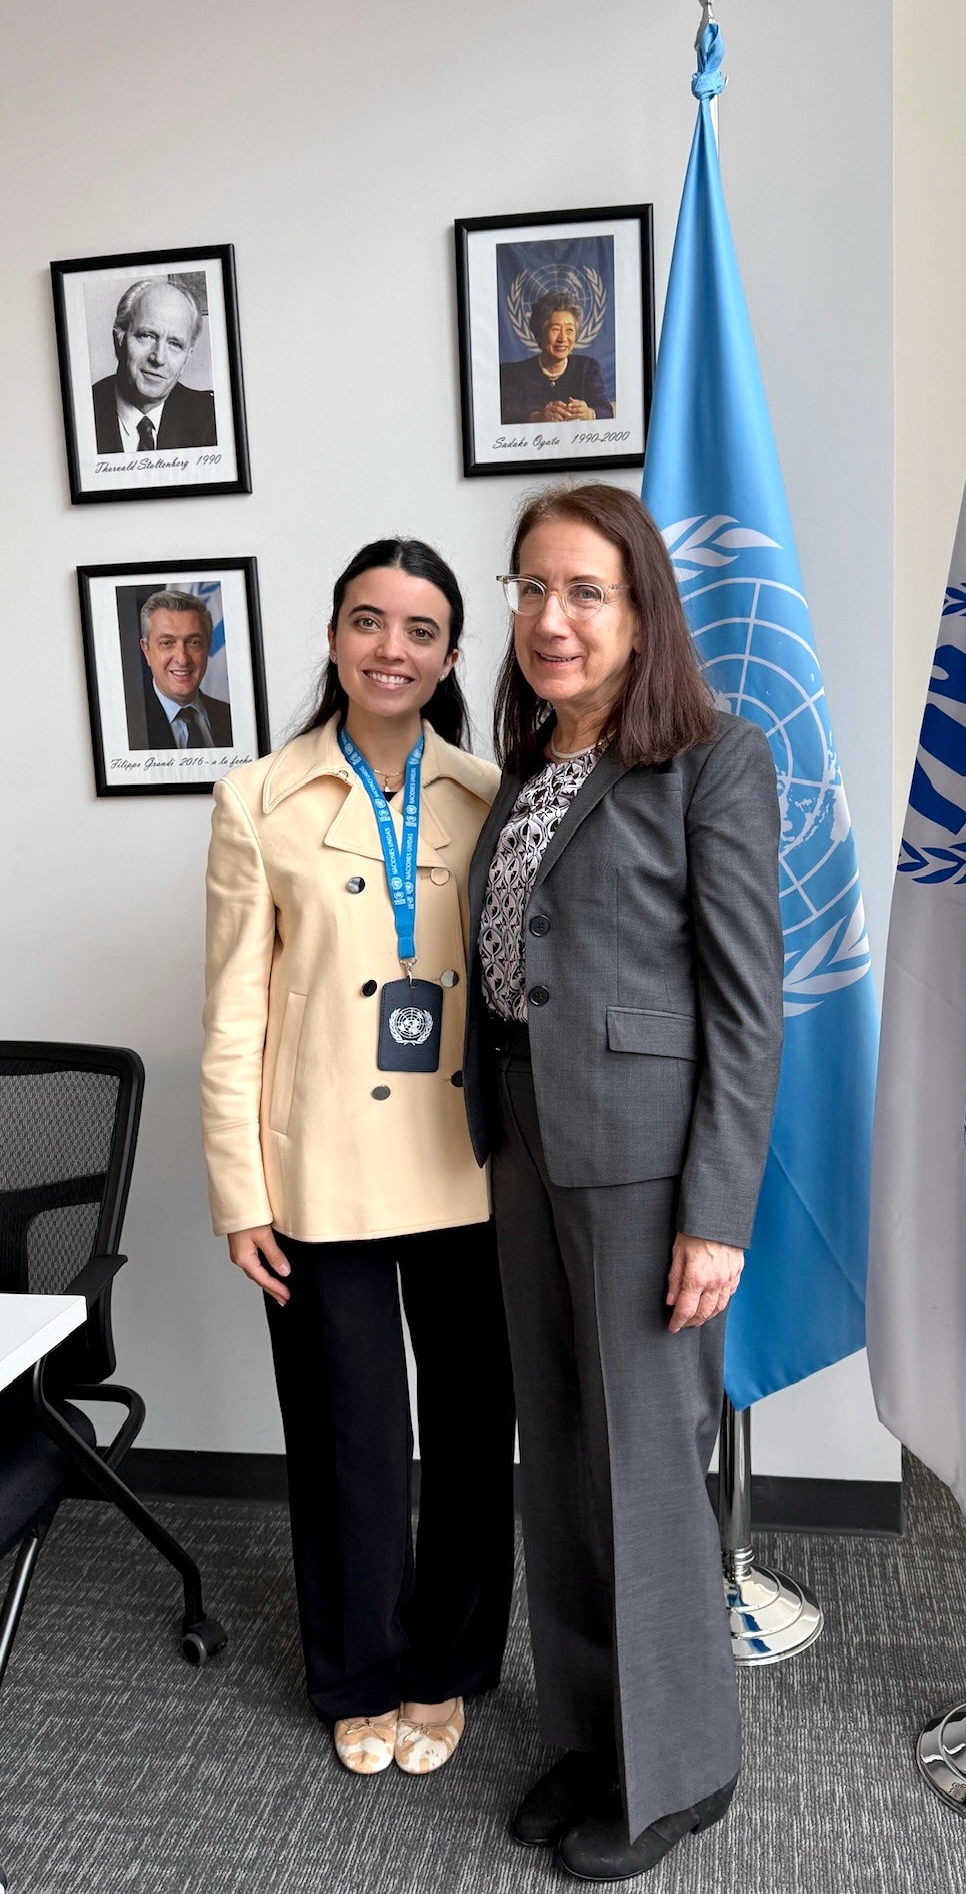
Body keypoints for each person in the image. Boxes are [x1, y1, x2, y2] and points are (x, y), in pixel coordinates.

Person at [463, 484, 783, 1880]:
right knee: (563, 1460)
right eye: (530, 588)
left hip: (647, 1168)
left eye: (583, 590)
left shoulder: (711, 759)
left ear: (639, 607)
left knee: (645, 1472)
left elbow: (745, 1005)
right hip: (527, 1139)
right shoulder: (529, 765)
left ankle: (675, 1775)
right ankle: (593, 1740)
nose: (550, 618)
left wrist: (715, 1211)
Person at [201, 539, 514, 1779]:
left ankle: (447, 1665)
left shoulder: (491, 795)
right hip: (316, 1168)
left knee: (474, 1425)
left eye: (422, 628)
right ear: (332, 638)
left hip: (464, 1163)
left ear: (449, 655)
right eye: (369, 621)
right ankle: (358, 1671)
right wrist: (240, 1193)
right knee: (352, 1439)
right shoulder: (258, 800)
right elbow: (232, 1013)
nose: (394, 647)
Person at [92, 276, 218, 453]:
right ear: (118, 340)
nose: (159, 358)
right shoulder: (82, 412)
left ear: (186, 359)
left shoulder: (214, 419)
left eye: (175, 344)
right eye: (147, 335)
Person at [129, 590, 233, 750]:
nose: (182, 659)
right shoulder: (125, 724)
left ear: (208, 646)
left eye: (194, 642)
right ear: (146, 651)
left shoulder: (231, 717)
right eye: (167, 643)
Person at [498, 289, 614, 425]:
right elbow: (506, 416)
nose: (563, 338)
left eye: (570, 330)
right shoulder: (513, 373)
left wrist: (589, 413)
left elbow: (606, 411)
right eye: (555, 329)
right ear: (539, 334)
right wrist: (538, 417)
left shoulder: (588, 367)